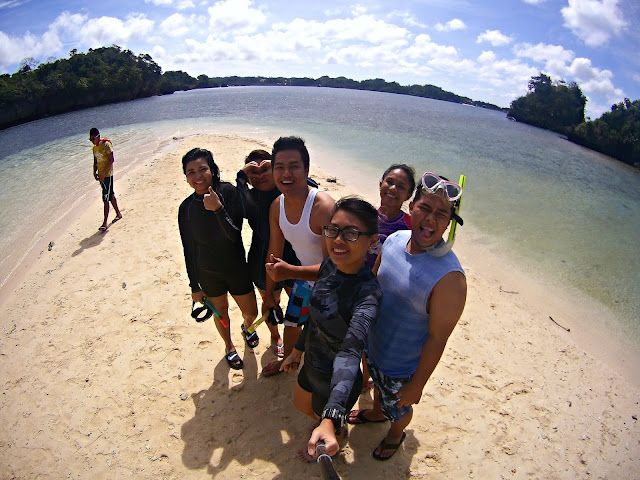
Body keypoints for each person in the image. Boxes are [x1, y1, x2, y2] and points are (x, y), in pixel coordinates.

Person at [348, 171, 467, 461]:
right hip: (373, 345)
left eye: (441, 214)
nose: (430, 219)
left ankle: (395, 433)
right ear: (411, 206)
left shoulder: (450, 278)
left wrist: (417, 386)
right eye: (425, 208)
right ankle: (377, 413)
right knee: (378, 390)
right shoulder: (395, 239)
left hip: (402, 367)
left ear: (449, 222)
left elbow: (438, 339)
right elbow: (373, 283)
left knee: (399, 407)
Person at [280, 196, 382, 460]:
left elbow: (350, 352)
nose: (337, 240)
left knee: (323, 421)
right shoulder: (329, 266)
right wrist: (297, 352)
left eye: (351, 233)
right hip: (312, 363)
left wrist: (331, 416)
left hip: (337, 382)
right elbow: (315, 318)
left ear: (372, 241)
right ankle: (328, 426)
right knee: (301, 404)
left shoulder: (367, 295)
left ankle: (334, 431)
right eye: (333, 230)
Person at [178, 148, 258, 370]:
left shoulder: (228, 193)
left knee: (251, 312)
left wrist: (218, 209)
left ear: (212, 170)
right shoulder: (186, 208)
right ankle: (229, 347)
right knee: (221, 314)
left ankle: (247, 327)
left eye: (202, 169)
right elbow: (189, 249)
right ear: (186, 177)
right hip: (208, 272)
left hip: (236, 268)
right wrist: (195, 286)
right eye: (190, 172)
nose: (198, 176)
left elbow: (234, 235)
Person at [261, 136, 335, 377]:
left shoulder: (323, 207)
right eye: (279, 167)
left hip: (334, 288)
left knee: (329, 340)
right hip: (305, 281)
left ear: (306, 169)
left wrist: (290, 272)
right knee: (292, 324)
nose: (286, 173)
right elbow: (274, 254)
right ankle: (288, 360)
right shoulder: (276, 206)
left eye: (294, 166)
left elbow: (332, 268)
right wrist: (270, 295)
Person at [236, 149, 316, 358]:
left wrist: (280, 168)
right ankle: (274, 336)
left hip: (293, 258)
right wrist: (242, 176)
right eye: (255, 172)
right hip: (262, 258)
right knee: (270, 300)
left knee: (298, 301)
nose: (260, 175)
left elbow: (311, 186)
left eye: (266, 169)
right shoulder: (250, 199)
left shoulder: (287, 193)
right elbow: (235, 201)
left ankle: (297, 339)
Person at [361, 163, 416, 392]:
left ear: (408, 195)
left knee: (379, 340)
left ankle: (376, 379)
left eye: (401, 186)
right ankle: (364, 380)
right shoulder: (365, 217)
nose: (393, 188)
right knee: (363, 338)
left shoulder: (410, 225)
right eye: (389, 182)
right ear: (380, 184)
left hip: (390, 293)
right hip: (362, 287)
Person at [90, 127, 122, 231]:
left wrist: (103, 173)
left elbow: (111, 160)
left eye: (93, 139)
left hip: (107, 176)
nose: (92, 142)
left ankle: (104, 223)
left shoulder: (106, 145)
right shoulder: (94, 148)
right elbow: (95, 161)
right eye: (90, 140)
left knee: (105, 198)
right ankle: (118, 214)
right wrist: (94, 172)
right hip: (101, 177)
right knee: (110, 195)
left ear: (98, 136)